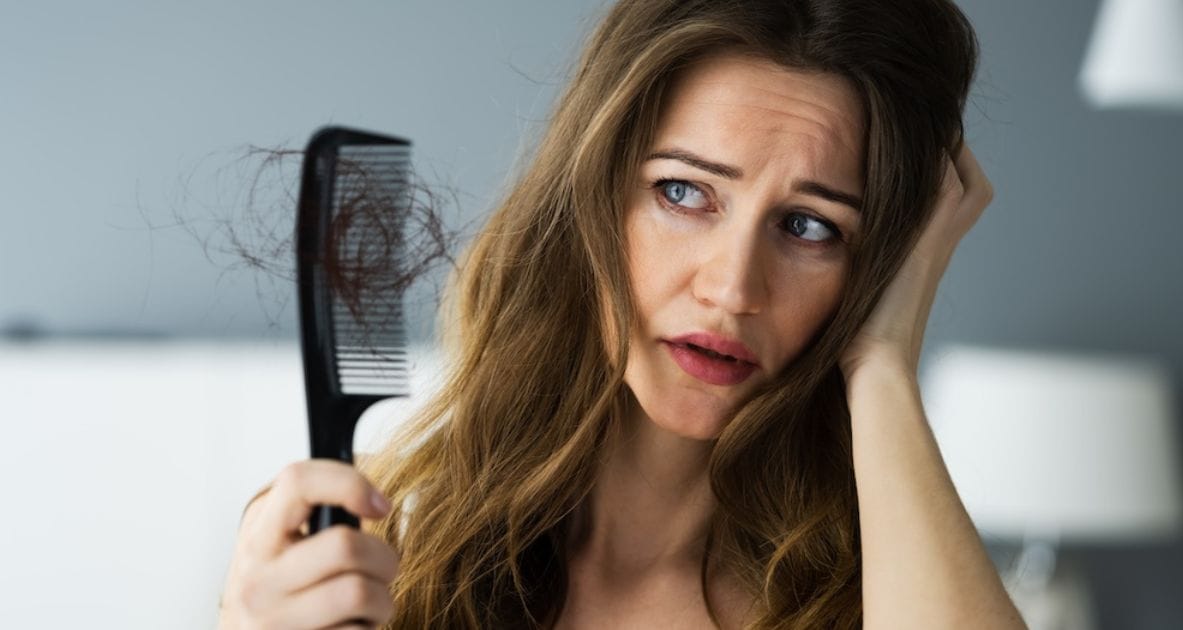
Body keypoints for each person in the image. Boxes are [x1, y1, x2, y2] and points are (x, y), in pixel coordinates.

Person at [219, 0, 1027, 628]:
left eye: (811, 227)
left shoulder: (880, 596)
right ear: (592, 197)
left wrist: (882, 364)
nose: (732, 288)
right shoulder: (360, 551)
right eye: (684, 193)